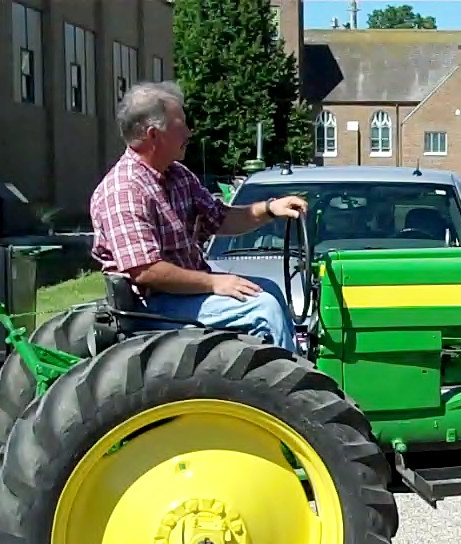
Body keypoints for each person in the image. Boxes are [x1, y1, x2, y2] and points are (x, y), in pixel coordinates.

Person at [89, 81, 307, 352]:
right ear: (154, 135)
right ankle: (287, 391)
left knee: (270, 290)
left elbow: (220, 218)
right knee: (263, 309)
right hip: (153, 306)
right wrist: (214, 282)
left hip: (185, 292)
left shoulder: (177, 176)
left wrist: (269, 209)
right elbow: (146, 271)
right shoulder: (124, 190)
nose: (189, 132)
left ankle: (294, 370)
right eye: (180, 125)